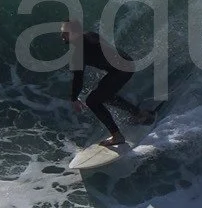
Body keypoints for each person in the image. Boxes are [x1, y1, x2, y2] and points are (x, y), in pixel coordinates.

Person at [58, 19, 153, 148]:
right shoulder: (89, 35)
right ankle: (139, 114)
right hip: (125, 63)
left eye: (65, 32)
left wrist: (74, 98)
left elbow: (78, 78)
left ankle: (117, 136)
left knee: (92, 101)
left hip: (121, 70)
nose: (61, 35)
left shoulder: (79, 52)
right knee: (104, 95)